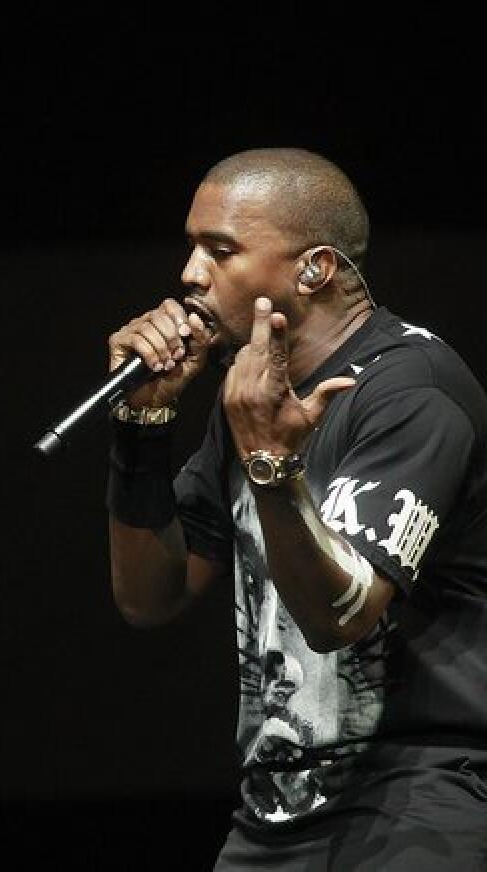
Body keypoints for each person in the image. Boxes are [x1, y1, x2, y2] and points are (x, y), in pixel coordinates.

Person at [104, 148, 487, 868]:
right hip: (275, 810)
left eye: (220, 250)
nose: (189, 275)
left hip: (419, 798)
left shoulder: (410, 393)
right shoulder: (253, 398)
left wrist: (271, 464)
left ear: (314, 269)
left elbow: (338, 616)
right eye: (191, 247)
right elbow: (148, 597)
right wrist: (142, 428)